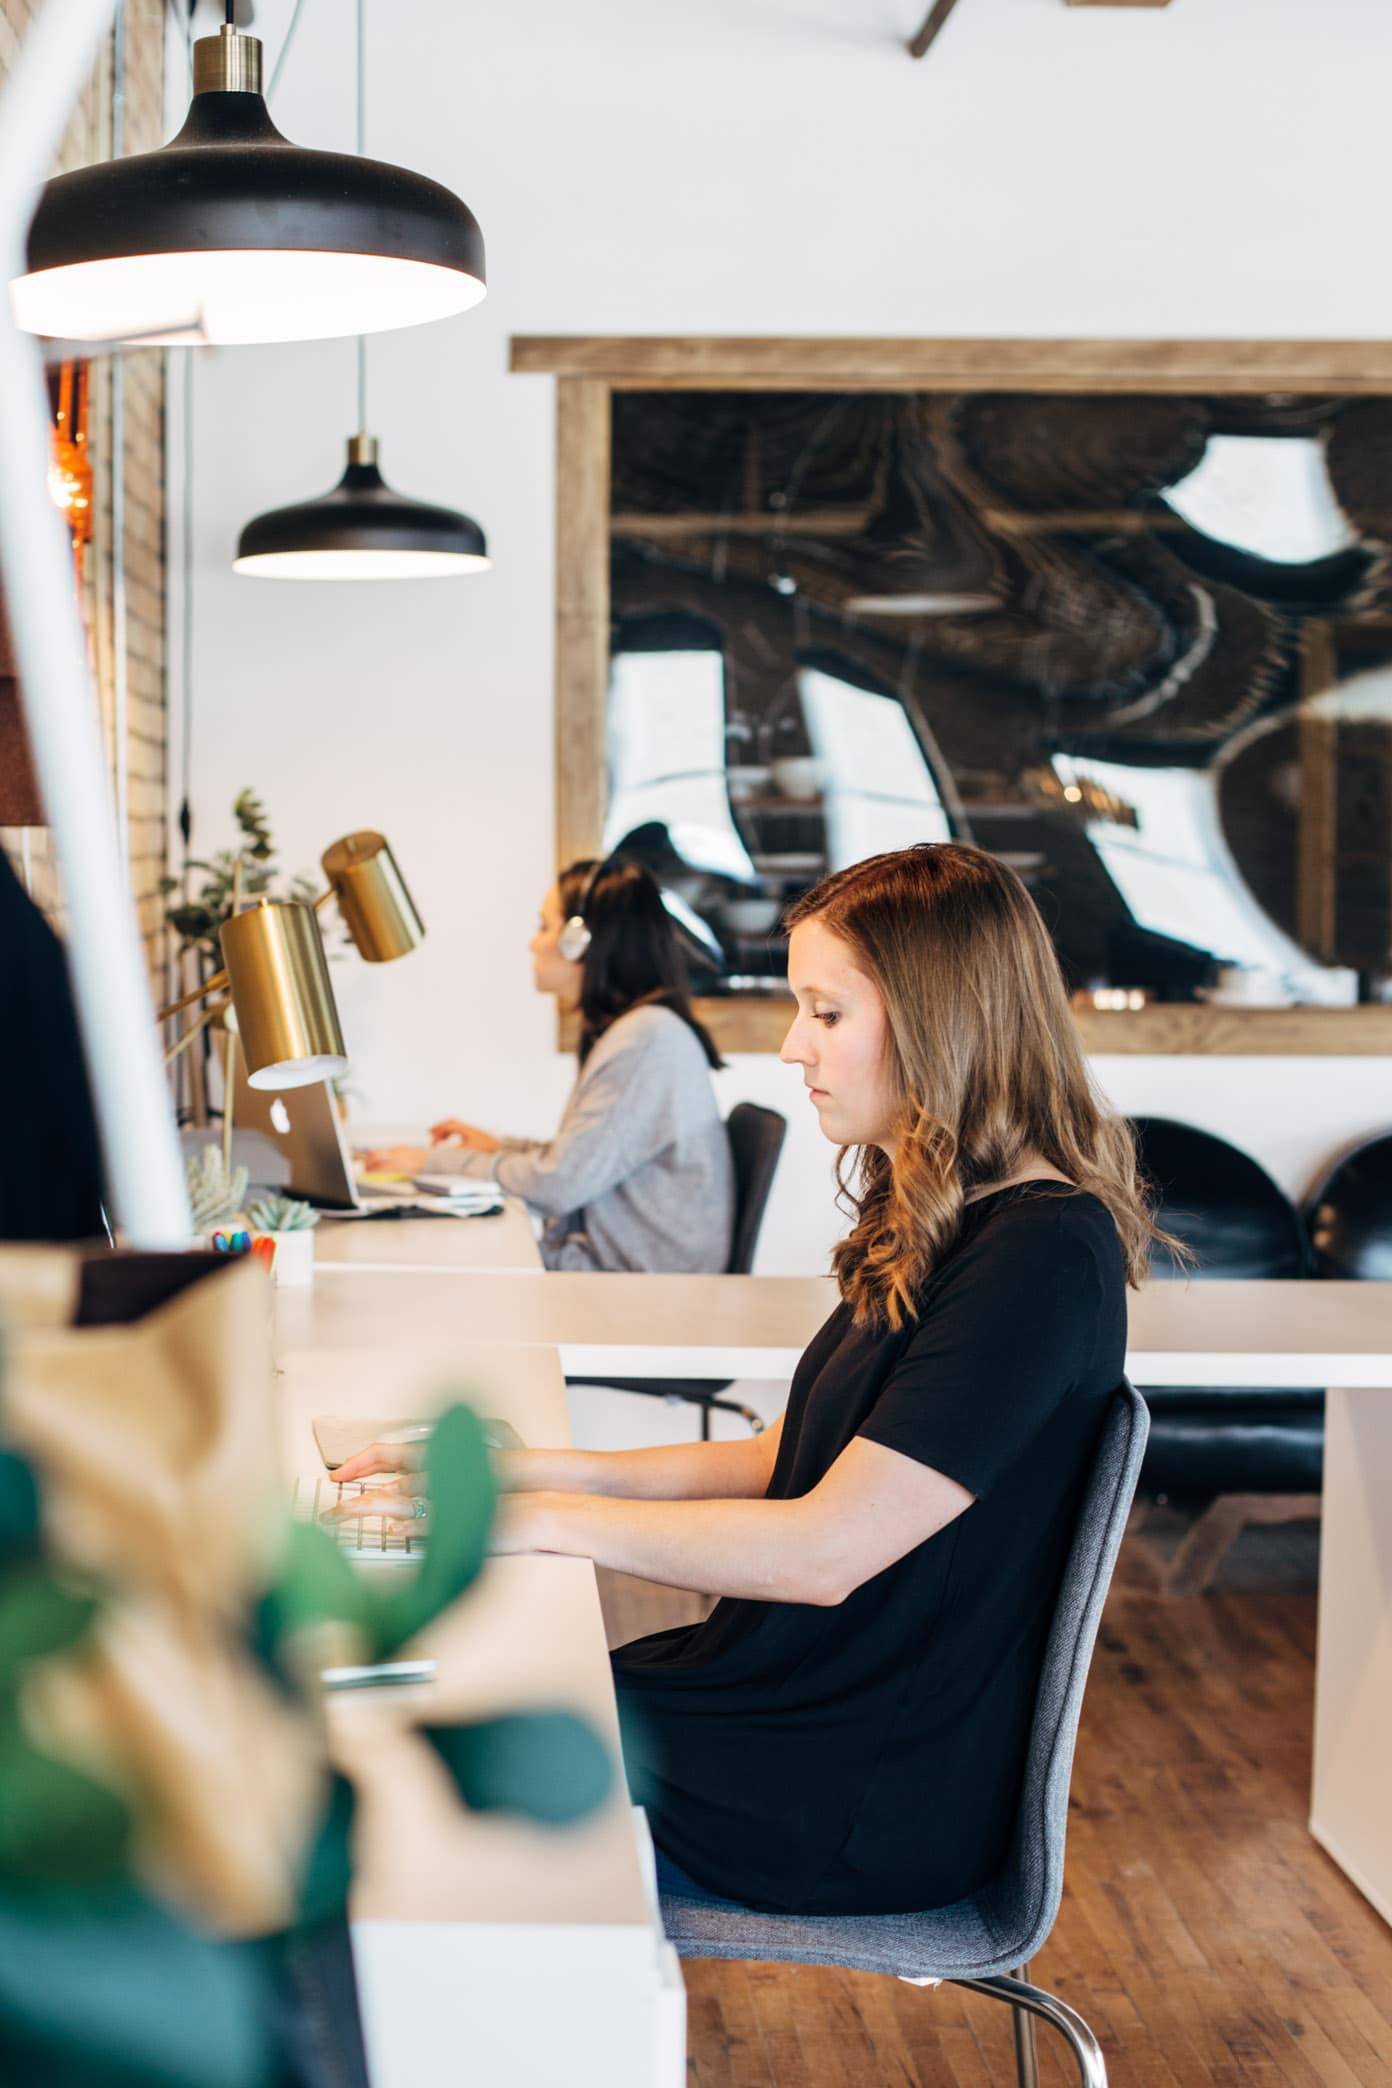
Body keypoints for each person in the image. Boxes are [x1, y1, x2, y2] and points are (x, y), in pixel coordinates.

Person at [334, 843, 1174, 1916]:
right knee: (438, 1704)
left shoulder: (1041, 1261)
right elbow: (796, 1457)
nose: (792, 1048)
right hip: (787, 1719)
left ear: (940, 1018)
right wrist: (518, 1471)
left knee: (420, 1760)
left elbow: (826, 1548)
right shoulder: (955, 1217)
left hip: (848, 1789)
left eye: (826, 1014)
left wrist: (538, 1518)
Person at [363, 856, 734, 1273]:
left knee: (442, 1264)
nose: (533, 944)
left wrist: (431, 1162)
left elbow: (558, 1185)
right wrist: (499, 1146)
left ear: (580, 941)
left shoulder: (645, 1040)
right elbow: (579, 1160)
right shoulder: (639, 1032)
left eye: (544, 926)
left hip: (635, 1286)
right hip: (618, 1268)